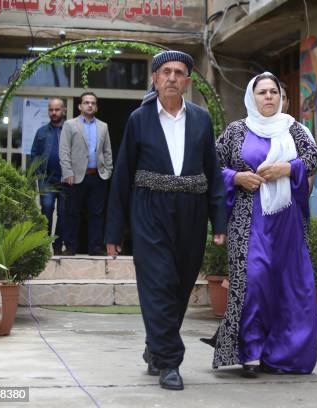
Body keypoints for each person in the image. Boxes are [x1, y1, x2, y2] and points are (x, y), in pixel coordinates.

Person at [105, 50, 227, 391]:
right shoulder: (138, 119)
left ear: (187, 82)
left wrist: (219, 221)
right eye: (166, 72)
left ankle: (155, 347)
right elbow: (122, 176)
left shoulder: (202, 120)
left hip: (191, 211)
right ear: (155, 79)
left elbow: (214, 174)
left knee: (179, 286)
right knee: (158, 282)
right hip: (149, 210)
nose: (172, 77)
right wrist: (115, 230)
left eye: (179, 73)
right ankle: (170, 361)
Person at [212, 72, 317, 378]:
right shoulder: (235, 131)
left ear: (281, 98)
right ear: (252, 96)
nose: (269, 97)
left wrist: (288, 167)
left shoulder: (294, 129)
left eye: (274, 92)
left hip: (287, 223)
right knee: (254, 282)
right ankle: (251, 353)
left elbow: (313, 160)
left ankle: (283, 355)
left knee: (290, 287)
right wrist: (236, 177)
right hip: (248, 221)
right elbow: (211, 164)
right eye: (263, 92)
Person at [59, 92, 113, 256]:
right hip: (75, 176)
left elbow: (107, 151)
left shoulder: (103, 126)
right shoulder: (70, 125)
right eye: (86, 102)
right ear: (80, 106)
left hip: (97, 176)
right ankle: (70, 247)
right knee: (72, 213)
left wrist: (108, 170)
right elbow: (64, 150)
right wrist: (67, 171)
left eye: (93, 103)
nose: (90, 105)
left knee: (97, 214)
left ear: (96, 107)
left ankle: (95, 247)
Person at [30, 97, 67, 255]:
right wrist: (38, 174)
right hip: (47, 179)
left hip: (66, 179)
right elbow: (34, 154)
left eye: (57, 109)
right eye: (51, 110)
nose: (53, 112)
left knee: (64, 213)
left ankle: (57, 246)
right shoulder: (41, 132)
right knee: (46, 210)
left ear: (63, 110)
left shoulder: (70, 129)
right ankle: (44, 246)